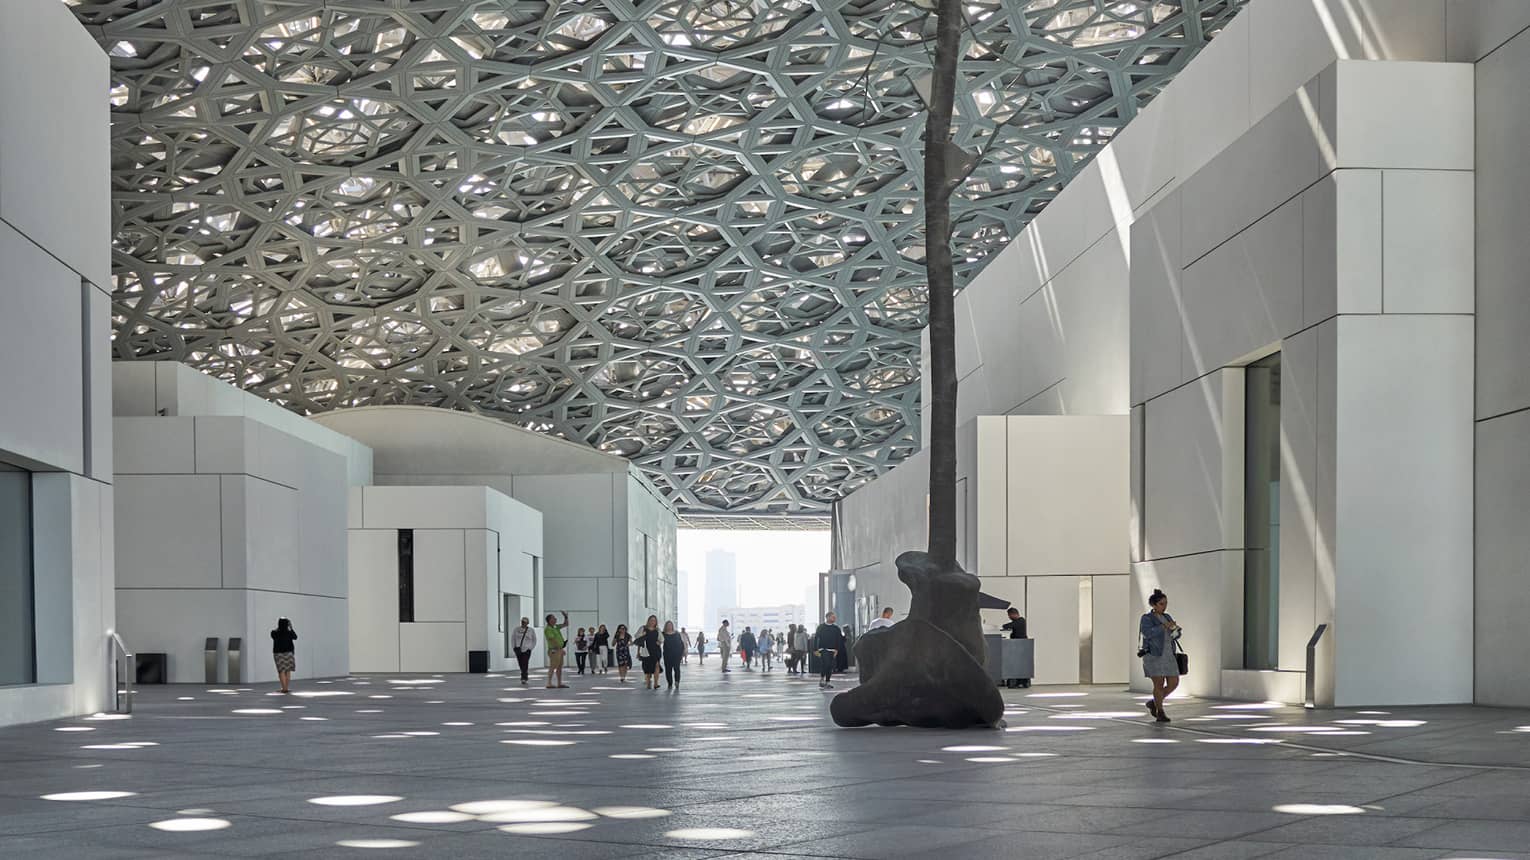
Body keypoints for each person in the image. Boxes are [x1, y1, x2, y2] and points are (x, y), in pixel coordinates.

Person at [1139, 589, 1182, 723]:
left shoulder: (1167, 616)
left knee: (1174, 682)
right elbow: (1147, 633)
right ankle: (1160, 712)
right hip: (1154, 655)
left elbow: (1175, 636)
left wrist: (1176, 630)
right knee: (1159, 683)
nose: (1165, 606)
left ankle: (1154, 702)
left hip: (1168, 654)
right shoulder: (1146, 618)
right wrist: (1163, 627)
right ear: (1154, 605)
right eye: (1162, 604)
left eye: (1165, 603)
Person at [814, 611, 845, 689]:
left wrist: (837, 649)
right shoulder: (821, 627)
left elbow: (839, 639)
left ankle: (827, 681)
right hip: (823, 649)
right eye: (832, 617)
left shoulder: (836, 628)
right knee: (826, 664)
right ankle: (822, 679)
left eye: (835, 617)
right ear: (827, 617)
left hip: (833, 650)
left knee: (830, 666)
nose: (834, 619)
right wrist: (815, 649)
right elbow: (816, 638)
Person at [1001, 607, 1029, 688]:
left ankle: (1021, 681)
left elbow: (1007, 625)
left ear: (1014, 614)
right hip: (1018, 646)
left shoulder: (1020, 621)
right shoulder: (1018, 622)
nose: (1009, 617)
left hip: (1021, 646)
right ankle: (1019, 682)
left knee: (1020, 665)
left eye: (1009, 615)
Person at [543, 610, 570, 689]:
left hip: (559, 650)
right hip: (554, 650)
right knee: (553, 666)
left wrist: (565, 617)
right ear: (550, 620)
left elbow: (566, 624)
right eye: (554, 618)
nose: (555, 619)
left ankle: (559, 683)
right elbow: (552, 639)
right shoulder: (548, 629)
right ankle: (549, 683)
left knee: (559, 667)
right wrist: (560, 648)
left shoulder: (555, 627)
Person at [271, 617, 297, 694]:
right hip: (289, 653)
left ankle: (284, 688)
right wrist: (291, 627)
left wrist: (280, 627)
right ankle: (286, 688)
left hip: (278, 654)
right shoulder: (289, 632)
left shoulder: (274, 632)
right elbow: (295, 637)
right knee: (288, 671)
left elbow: (274, 635)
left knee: (281, 671)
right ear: (287, 624)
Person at [637, 614, 662, 690]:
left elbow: (662, 639)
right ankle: (648, 682)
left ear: (656, 622)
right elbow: (637, 637)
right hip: (646, 650)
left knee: (657, 665)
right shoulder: (643, 628)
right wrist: (642, 634)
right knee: (647, 667)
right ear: (648, 621)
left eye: (654, 620)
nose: (652, 622)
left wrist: (659, 642)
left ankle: (656, 683)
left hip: (656, 650)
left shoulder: (657, 630)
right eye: (651, 620)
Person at [511, 617, 537, 685]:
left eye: (525, 622)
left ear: (527, 623)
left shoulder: (531, 630)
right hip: (518, 649)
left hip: (527, 650)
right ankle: (524, 674)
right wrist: (514, 647)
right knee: (520, 663)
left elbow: (534, 640)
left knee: (525, 662)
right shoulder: (516, 630)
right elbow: (513, 638)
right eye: (522, 622)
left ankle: (524, 678)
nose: (523, 623)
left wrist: (530, 648)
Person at [662, 621, 686, 690]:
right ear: (666, 626)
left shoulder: (677, 633)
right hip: (667, 654)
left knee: (677, 668)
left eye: (670, 625)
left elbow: (681, 643)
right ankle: (670, 683)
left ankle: (677, 682)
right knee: (668, 670)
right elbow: (658, 640)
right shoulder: (663, 634)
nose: (669, 626)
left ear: (672, 626)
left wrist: (682, 652)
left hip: (677, 654)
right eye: (668, 625)